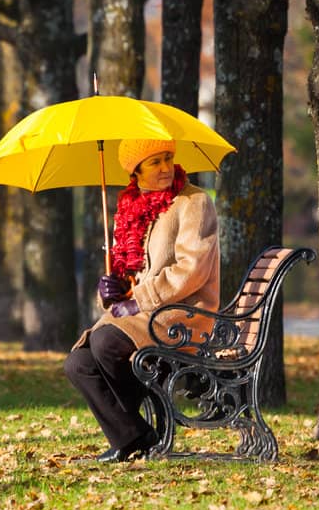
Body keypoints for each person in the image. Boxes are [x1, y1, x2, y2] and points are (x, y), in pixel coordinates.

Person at [63, 139, 220, 463]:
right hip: (144, 315)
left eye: (168, 158)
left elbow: (192, 271)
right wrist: (111, 289)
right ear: (136, 170)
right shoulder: (130, 209)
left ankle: (136, 435)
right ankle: (135, 436)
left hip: (184, 313)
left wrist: (139, 301)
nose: (165, 168)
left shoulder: (194, 202)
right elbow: (130, 274)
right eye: (154, 162)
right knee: (78, 363)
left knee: (106, 341)